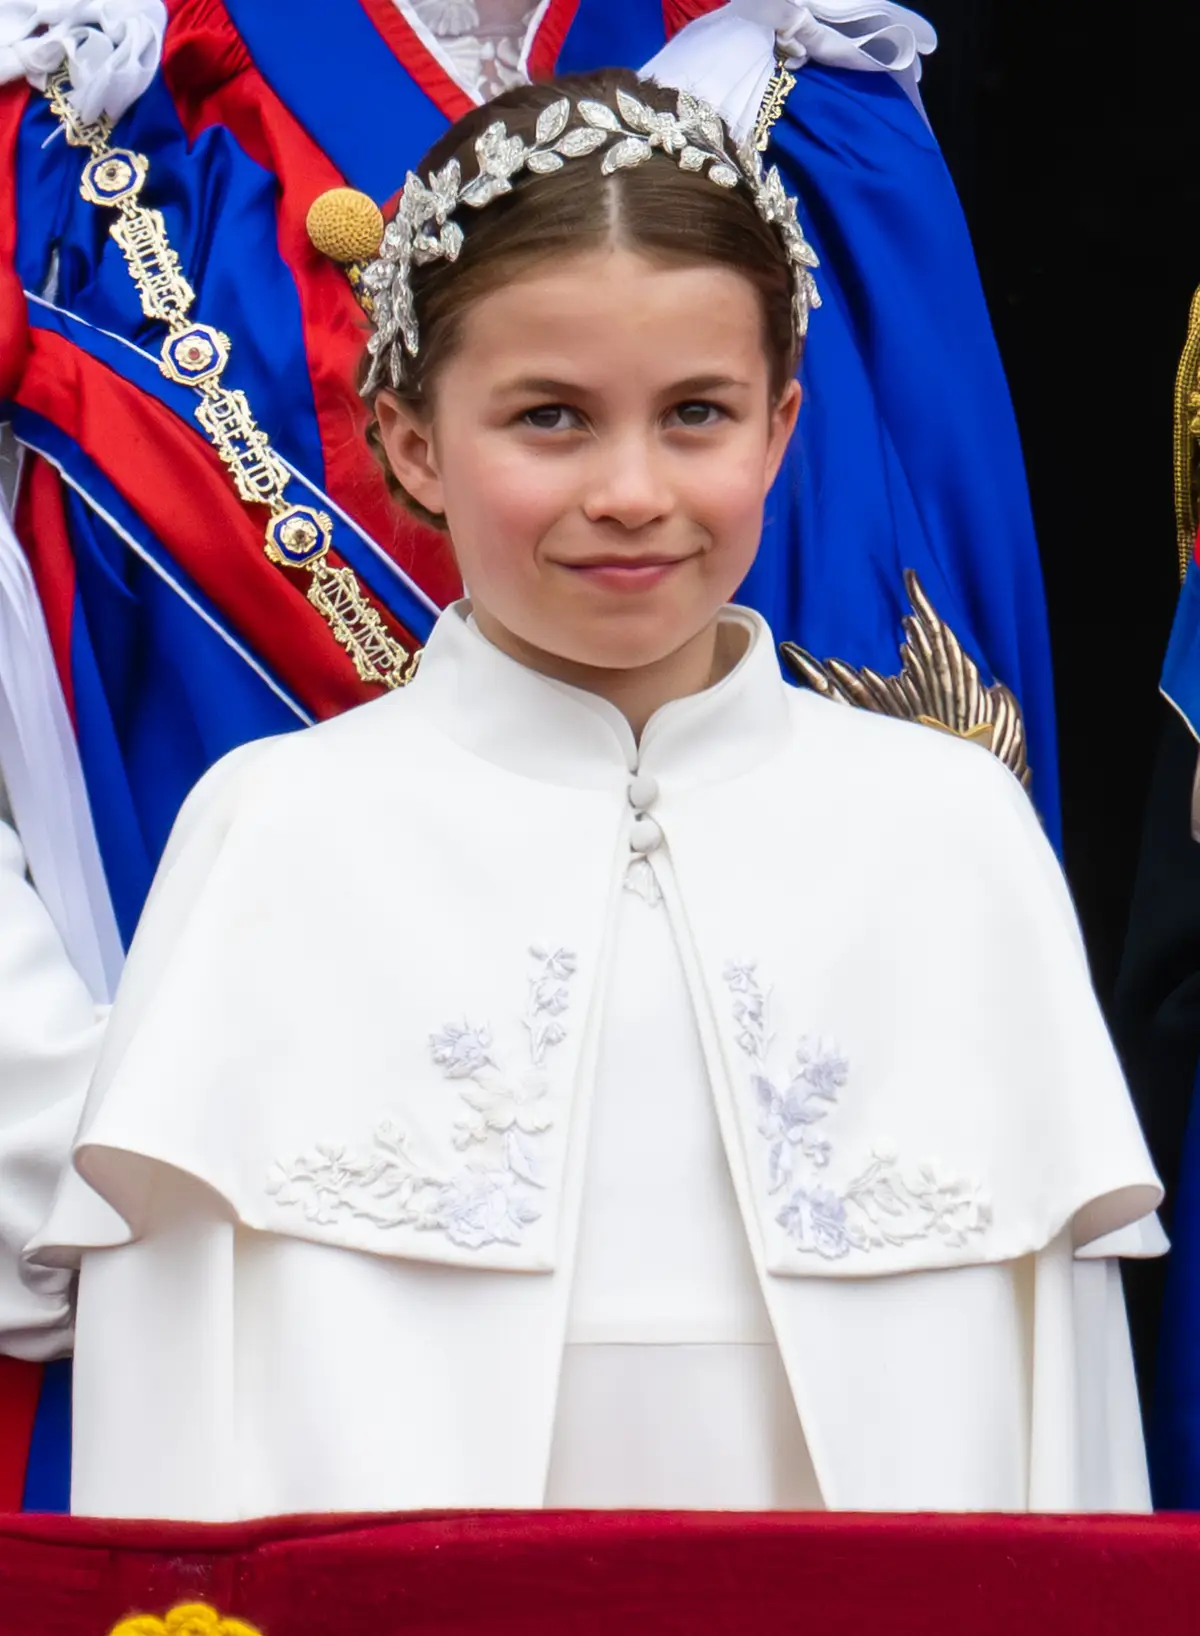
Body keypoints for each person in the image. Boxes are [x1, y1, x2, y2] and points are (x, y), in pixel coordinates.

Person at [30, 67, 1161, 1521]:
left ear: (782, 425)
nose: (631, 490)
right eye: (551, 418)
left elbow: (1061, 1424)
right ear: (412, 440)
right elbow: (166, 1414)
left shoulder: (954, 834)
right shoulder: (271, 837)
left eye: (696, 412)